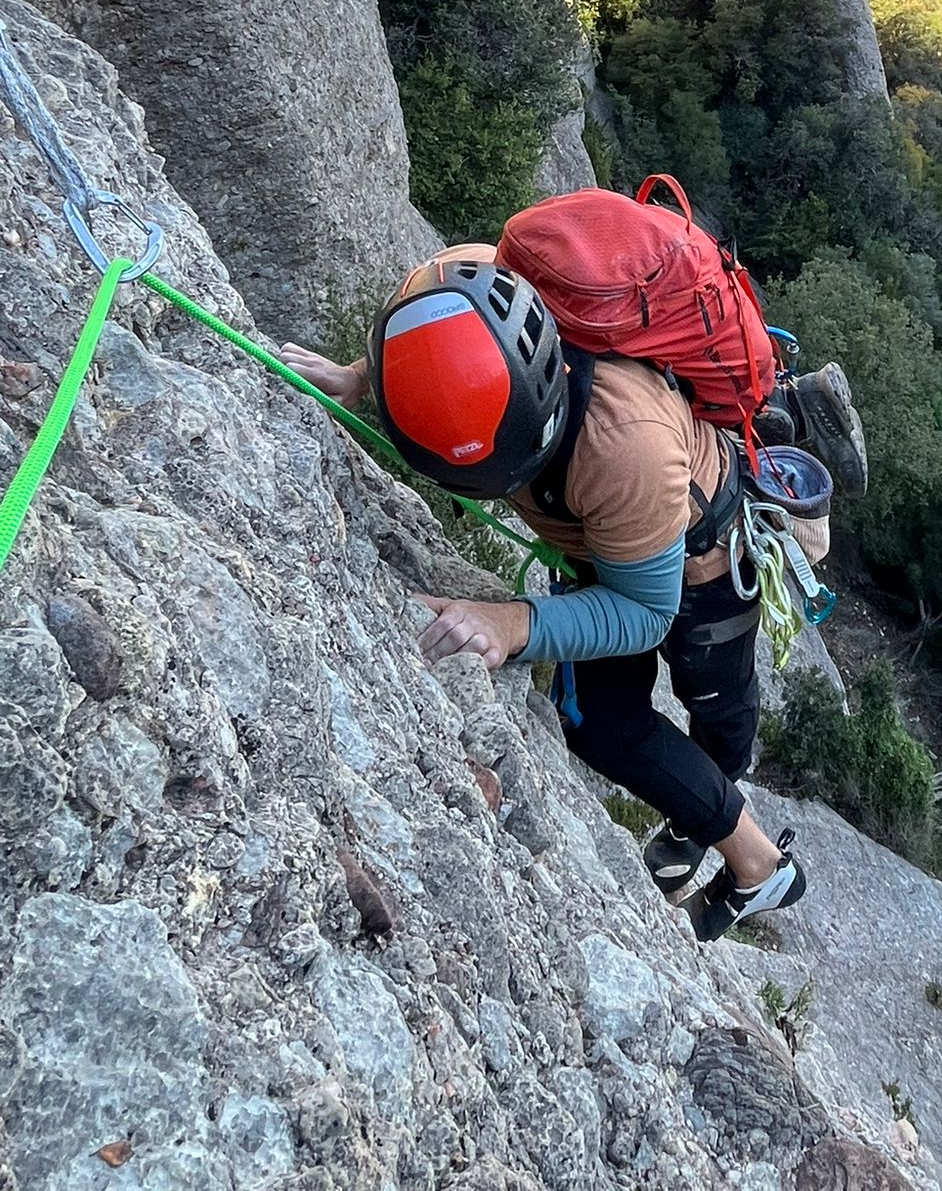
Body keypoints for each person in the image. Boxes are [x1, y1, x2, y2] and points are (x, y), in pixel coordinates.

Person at [281, 242, 866, 940]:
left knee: (721, 711)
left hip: (694, 556)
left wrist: (512, 623)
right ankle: (724, 830)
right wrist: (360, 378)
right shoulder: (465, 286)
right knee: (599, 724)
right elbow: (423, 341)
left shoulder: (624, 449)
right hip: (600, 534)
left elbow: (646, 613)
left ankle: (760, 867)